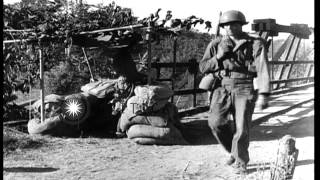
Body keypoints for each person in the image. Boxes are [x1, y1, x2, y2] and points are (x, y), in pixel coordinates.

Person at [199, 10, 270, 174]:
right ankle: (233, 150)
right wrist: (218, 57)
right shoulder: (217, 43)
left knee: (241, 127)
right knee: (215, 123)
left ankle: (240, 162)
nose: (229, 27)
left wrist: (264, 94)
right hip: (221, 86)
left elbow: (263, 68)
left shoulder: (255, 42)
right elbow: (202, 67)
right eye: (226, 25)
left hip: (244, 86)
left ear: (241, 25)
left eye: (234, 24)